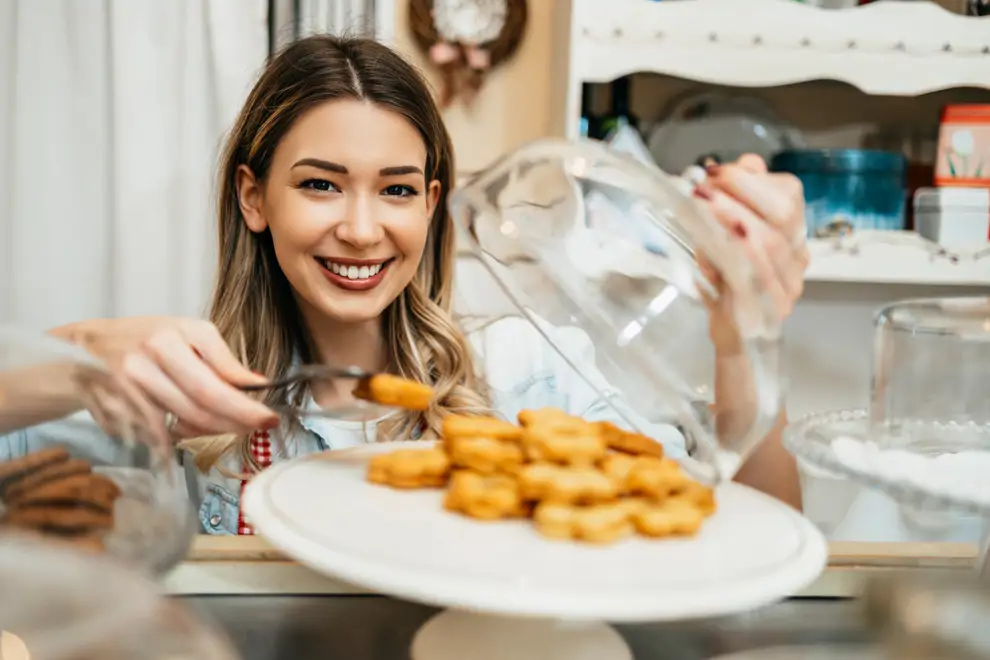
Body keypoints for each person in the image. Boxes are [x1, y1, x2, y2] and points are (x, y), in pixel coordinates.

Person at [0, 36, 808, 535]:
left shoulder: (525, 372)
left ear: (429, 203)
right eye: (320, 185)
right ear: (254, 197)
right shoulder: (180, 393)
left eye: (394, 189)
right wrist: (80, 354)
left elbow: (754, 520)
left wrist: (743, 339)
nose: (360, 228)